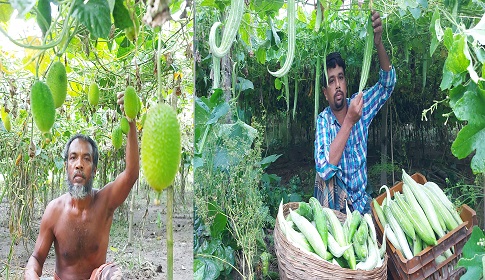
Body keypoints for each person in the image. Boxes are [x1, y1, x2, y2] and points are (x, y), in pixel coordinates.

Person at [24, 93, 139, 279]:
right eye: (73, 158)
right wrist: (31, 274)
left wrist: (131, 120)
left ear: (94, 169)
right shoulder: (54, 211)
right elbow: (36, 258)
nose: (79, 164)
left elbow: (131, 173)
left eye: (86, 159)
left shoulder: (105, 202)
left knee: (113, 273)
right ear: (66, 167)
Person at [314, 10, 396, 214]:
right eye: (331, 81)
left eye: (340, 77)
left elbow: (388, 84)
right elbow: (324, 168)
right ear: (325, 93)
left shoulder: (360, 104)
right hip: (334, 210)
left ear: (346, 81)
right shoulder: (324, 121)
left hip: (361, 203)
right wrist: (350, 121)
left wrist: (378, 43)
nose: (338, 85)